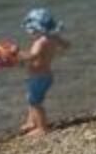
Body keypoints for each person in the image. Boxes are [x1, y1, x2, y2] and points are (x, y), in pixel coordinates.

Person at [17, 8, 69, 136]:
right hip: (45, 76)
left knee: (35, 102)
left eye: (32, 30)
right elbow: (66, 44)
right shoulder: (53, 38)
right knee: (31, 99)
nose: (31, 33)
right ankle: (31, 122)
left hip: (39, 77)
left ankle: (42, 128)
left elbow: (33, 56)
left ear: (37, 29)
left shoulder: (40, 43)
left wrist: (18, 55)